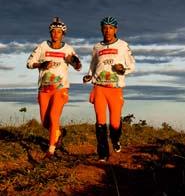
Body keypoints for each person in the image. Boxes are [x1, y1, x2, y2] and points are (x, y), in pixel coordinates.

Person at [27, 17, 82, 158]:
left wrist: (75, 61)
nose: (55, 34)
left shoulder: (68, 48)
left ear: (63, 34)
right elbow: (29, 63)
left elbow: (78, 67)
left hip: (61, 88)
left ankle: (51, 149)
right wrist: (41, 64)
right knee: (46, 122)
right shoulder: (42, 46)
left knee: (53, 116)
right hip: (44, 89)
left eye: (59, 32)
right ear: (50, 33)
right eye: (53, 31)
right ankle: (58, 133)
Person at [83, 16, 135, 162]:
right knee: (100, 122)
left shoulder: (123, 45)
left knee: (114, 123)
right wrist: (88, 76)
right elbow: (93, 66)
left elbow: (132, 65)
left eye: (111, 28)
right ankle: (103, 154)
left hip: (115, 88)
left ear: (115, 29)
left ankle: (116, 140)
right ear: (101, 29)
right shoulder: (97, 47)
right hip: (99, 87)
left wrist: (122, 69)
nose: (107, 30)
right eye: (105, 28)